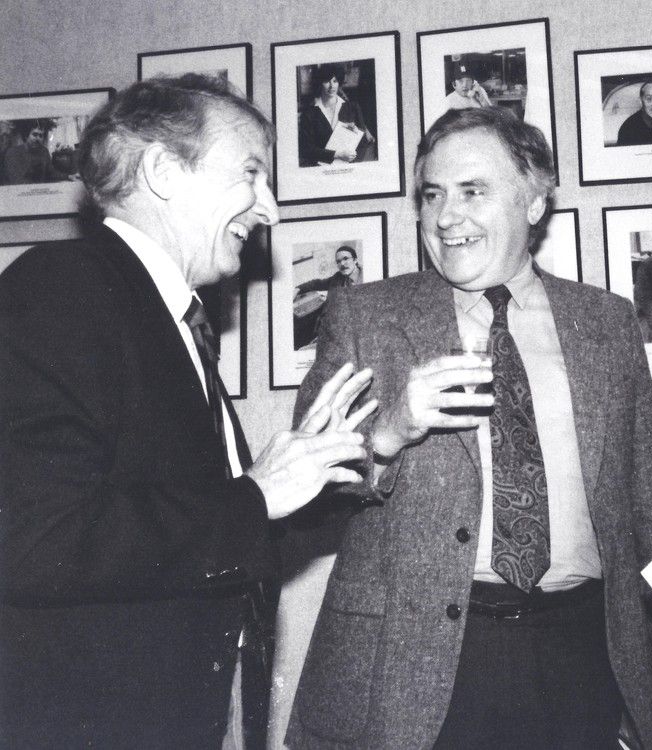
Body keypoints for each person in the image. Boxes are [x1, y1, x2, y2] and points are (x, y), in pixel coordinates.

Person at [285, 106, 652, 749]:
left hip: (580, 652)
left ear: (534, 201)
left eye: (473, 191)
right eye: (432, 195)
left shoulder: (608, 324)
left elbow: (650, 505)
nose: (446, 216)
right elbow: (302, 499)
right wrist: (389, 432)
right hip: (411, 662)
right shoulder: (363, 317)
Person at [0, 74, 378, 750]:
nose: (269, 210)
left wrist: (316, 477)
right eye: (252, 173)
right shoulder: (60, 290)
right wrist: (257, 494)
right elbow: (37, 542)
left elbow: (205, 528)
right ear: (164, 172)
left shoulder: (172, 319)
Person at [297, 63, 375, 166]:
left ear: (339, 83)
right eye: (327, 81)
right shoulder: (309, 113)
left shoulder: (352, 108)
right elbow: (306, 149)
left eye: (335, 81)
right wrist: (337, 154)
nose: (331, 86)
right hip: (320, 170)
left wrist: (355, 135)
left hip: (348, 169)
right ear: (320, 83)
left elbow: (363, 143)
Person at [3, 118, 64, 184]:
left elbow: (51, 172)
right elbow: (17, 181)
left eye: (41, 136)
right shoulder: (13, 153)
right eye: (35, 134)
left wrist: (68, 176)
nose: (38, 139)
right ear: (26, 135)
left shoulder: (44, 151)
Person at [296, 245, 363, 294]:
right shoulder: (338, 277)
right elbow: (317, 283)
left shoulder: (368, 276)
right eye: (338, 261)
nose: (342, 264)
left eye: (345, 259)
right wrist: (298, 289)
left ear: (355, 260)